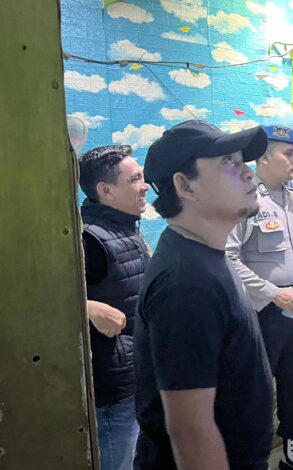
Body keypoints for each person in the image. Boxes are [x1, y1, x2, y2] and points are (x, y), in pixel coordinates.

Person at [134, 120, 274, 470]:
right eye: (229, 162)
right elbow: (190, 431)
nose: (249, 173)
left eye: (243, 162)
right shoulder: (185, 282)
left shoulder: (205, 255)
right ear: (185, 186)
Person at [226, 125, 293, 470]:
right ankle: (249, 458)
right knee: (254, 390)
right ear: (264, 157)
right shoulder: (243, 199)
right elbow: (228, 258)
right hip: (262, 315)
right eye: (289, 153)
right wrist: (274, 294)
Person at [78, 145, 150, 470]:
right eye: (134, 179)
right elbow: (39, 299)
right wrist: (87, 307)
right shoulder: (89, 239)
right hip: (113, 390)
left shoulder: (126, 229)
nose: (145, 186)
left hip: (137, 376)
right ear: (105, 190)